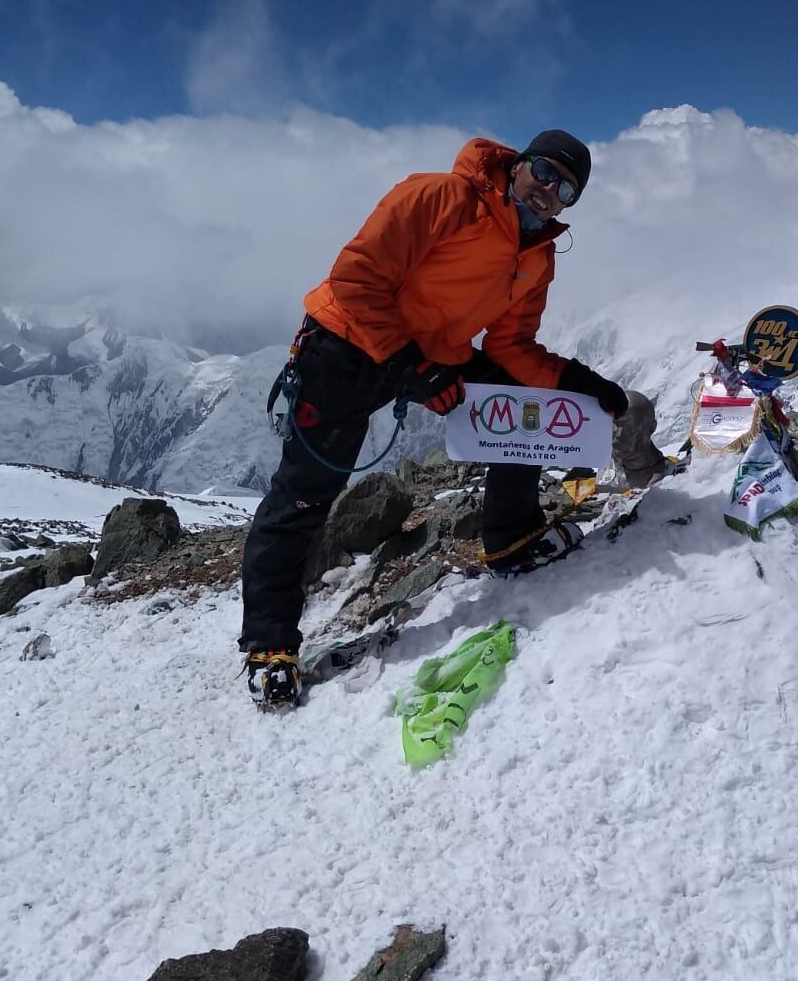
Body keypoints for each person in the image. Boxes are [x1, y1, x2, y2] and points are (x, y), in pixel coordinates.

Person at [240, 129, 666, 709]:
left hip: (429, 358)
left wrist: (579, 381)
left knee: (522, 401)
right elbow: (356, 280)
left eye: (566, 189)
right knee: (304, 496)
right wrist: (412, 366)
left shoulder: (536, 256)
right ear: (518, 164)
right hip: (346, 347)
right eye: (543, 172)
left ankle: (512, 539)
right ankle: (270, 647)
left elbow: (513, 346)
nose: (548, 191)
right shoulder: (439, 196)